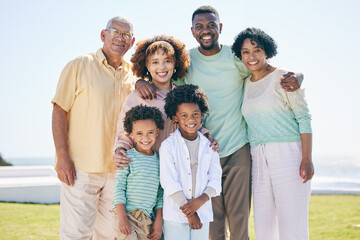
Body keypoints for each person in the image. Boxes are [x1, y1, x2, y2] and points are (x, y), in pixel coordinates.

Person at [136, 5, 304, 240]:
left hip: (237, 149)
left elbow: (265, 69)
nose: (206, 31)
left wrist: (298, 75)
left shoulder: (235, 59)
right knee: (213, 225)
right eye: (199, 27)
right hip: (203, 151)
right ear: (192, 31)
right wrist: (140, 82)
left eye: (211, 25)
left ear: (220, 28)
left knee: (239, 222)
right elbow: (161, 74)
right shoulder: (188, 61)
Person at [52, 16, 136, 239]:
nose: (120, 38)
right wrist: (62, 157)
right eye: (115, 32)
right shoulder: (80, 64)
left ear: (132, 41)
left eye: (126, 35)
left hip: (118, 172)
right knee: (76, 235)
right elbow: (59, 110)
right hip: (81, 170)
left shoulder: (135, 75)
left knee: (111, 236)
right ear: (103, 35)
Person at [231, 27, 313, 240]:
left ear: (267, 51)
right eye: (246, 52)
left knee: (292, 224)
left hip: (288, 153)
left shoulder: (284, 78)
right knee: (264, 225)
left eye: (257, 50)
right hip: (257, 156)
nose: (251, 56)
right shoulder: (245, 84)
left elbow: (304, 118)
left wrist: (306, 159)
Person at [113, 35, 218, 169]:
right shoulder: (135, 98)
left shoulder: (184, 95)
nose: (161, 67)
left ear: (175, 63)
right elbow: (125, 133)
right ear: (147, 66)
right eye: (155, 62)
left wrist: (206, 138)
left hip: (180, 169)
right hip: (148, 169)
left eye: (167, 61)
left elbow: (193, 125)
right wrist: (119, 150)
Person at [160, 84, 222, 240]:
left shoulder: (209, 145)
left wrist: (200, 202)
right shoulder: (168, 146)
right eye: (184, 115)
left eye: (195, 114)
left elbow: (215, 179)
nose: (191, 120)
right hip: (175, 215)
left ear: (201, 114)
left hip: (203, 213)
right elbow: (169, 182)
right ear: (175, 117)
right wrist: (190, 212)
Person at [113, 105, 164, 240]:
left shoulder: (160, 160)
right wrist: (122, 218)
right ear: (131, 134)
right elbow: (119, 187)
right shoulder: (127, 157)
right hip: (126, 214)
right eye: (139, 133)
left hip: (148, 218)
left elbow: (160, 193)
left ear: (157, 132)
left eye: (150, 132)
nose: (145, 138)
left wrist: (158, 222)